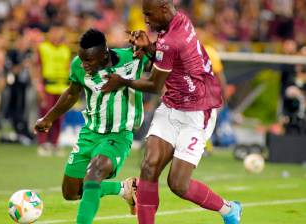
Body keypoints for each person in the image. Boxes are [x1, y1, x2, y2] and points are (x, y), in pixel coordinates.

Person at [101, 0, 242, 224]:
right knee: (149, 166)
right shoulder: (180, 21)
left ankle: (228, 209)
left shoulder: (171, 40)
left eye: (149, 14)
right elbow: (166, 54)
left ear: (164, 9)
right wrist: (149, 47)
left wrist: (122, 81)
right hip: (172, 105)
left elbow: (154, 85)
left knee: (178, 184)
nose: (146, 20)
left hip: (198, 111)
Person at [34, 29, 150, 224]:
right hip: (90, 133)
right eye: (82, 59)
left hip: (118, 134)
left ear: (104, 54)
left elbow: (162, 63)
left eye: (89, 61)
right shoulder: (78, 66)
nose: (84, 65)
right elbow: (72, 93)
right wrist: (48, 118)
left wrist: (151, 48)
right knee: (71, 193)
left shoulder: (131, 58)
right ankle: (124, 189)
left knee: (95, 172)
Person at [35, 25, 72, 156]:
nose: (56, 34)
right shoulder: (43, 48)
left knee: (59, 117)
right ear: (49, 33)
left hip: (62, 87)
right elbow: (37, 68)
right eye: (54, 31)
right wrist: (38, 86)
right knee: (46, 115)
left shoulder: (66, 49)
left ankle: (54, 143)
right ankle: (42, 143)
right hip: (47, 87)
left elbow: (68, 68)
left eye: (58, 31)